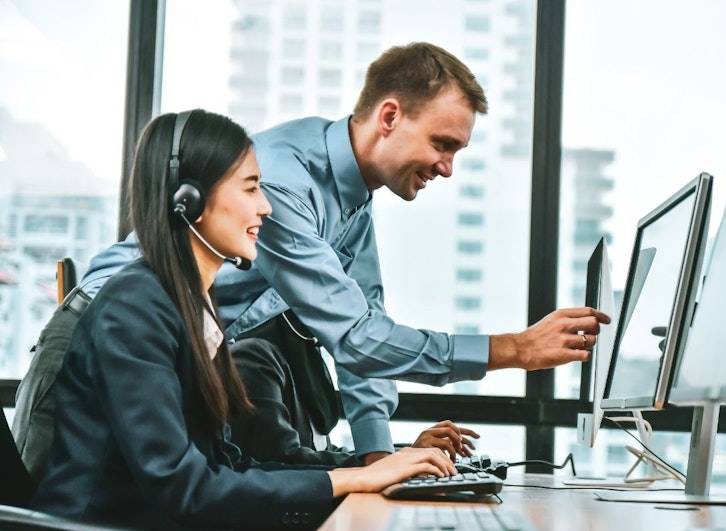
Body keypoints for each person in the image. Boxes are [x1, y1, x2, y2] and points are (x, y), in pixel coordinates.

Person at [17, 41, 608, 474]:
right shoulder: (283, 181)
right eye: (442, 143)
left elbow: (363, 332)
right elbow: (356, 339)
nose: (448, 167)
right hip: (105, 339)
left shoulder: (352, 206)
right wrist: (512, 350)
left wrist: (377, 456)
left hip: (179, 352)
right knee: (62, 508)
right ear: (390, 117)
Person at [30, 109, 456, 529]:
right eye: (251, 189)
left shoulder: (195, 304)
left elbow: (229, 466)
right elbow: (184, 488)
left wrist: (366, 471)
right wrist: (352, 479)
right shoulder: (135, 307)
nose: (267, 207)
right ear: (189, 200)